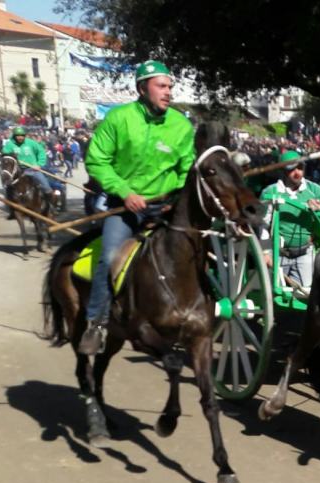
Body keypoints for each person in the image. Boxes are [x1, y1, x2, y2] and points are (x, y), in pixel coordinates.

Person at [78, 60, 196, 355]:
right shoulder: (118, 119)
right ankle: (96, 323)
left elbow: (187, 169)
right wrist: (124, 192)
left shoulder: (181, 125)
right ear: (142, 88)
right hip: (125, 209)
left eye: (170, 86)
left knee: (195, 254)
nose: (168, 91)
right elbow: (97, 161)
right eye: (161, 86)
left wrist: (176, 199)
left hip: (166, 209)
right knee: (108, 257)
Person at [260, 150, 320, 289]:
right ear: (283, 171)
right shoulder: (270, 192)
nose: (298, 173)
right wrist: (265, 253)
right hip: (278, 255)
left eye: (300, 168)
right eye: (292, 169)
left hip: (305, 255)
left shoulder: (313, 189)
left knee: (304, 296)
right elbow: (262, 225)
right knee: (275, 296)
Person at [1, 127, 65, 210]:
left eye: (22, 135)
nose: (20, 137)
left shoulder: (31, 143)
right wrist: (6, 153)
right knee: (9, 185)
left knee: (45, 185)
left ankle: (51, 206)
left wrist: (39, 164)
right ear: (14, 136)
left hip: (32, 169)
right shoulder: (10, 144)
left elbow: (41, 152)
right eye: (17, 136)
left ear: (25, 136)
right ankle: (11, 206)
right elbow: (4, 152)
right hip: (18, 169)